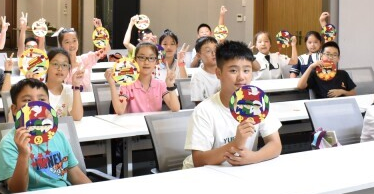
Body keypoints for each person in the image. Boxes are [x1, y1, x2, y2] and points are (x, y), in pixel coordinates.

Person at [183, 40, 282, 169]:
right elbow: (198, 160)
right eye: (233, 71)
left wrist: (253, 157)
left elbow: (275, 145)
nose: (241, 77)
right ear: (218, 73)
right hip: (205, 174)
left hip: (239, 171)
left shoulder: (258, 103)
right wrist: (236, 143)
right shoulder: (204, 110)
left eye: (246, 70)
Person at [0, 79, 91, 193]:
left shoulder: (58, 135)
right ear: (15, 110)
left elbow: (75, 173)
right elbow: (17, 191)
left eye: (41, 100)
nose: (36, 106)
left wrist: (94, 192)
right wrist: (23, 154)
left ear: (49, 106)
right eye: (27, 100)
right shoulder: (8, 145)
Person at [105, 42, 181, 114]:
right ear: (135, 60)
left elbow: (175, 108)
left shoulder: (160, 84)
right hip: (135, 123)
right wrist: (112, 84)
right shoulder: (127, 84)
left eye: (151, 58)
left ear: (156, 61)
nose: (146, 62)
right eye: (142, 57)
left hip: (152, 123)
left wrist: (170, 86)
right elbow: (119, 110)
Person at [58, 19, 110, 91]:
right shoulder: (60, 66)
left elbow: (106, 50)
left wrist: (100, 30)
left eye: (74, 40)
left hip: (88, 97)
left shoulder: (86, 59)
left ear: (78, 42)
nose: (72, 45)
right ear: (61, 45)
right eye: (67, 42)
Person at [45, 47, 85, 120]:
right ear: (46, 66)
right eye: (55, 64)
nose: (60, 69)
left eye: (64, 65)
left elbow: (77, 117)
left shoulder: (69, 90)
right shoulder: (39, 91)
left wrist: (76, 85)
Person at [190, 36, 220, 102]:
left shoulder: (225, 71)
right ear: (199, 55)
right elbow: (198, 102)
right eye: (208, 51)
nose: (214, 53)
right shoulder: (197, 76)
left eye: (216, 50)